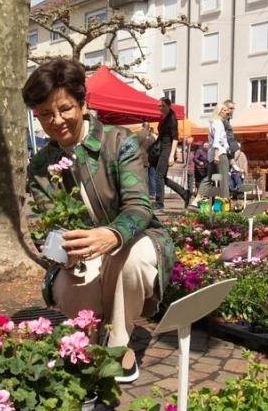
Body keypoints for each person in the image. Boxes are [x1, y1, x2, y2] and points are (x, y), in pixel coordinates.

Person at [23, 58, 171, 385]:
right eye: (45, 114)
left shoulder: (119, 142)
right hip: (82, 254)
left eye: (64, 109)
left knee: (131, 259)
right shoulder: (41, 164)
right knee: (68, 286)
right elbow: (44, 222)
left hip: (132, 241)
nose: (56, 120)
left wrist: (111, 235)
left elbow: (139, 206)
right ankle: (91, 336)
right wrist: (56, 247)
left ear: (83, 103)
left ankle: (118, 345)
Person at [153, 97, 190, 209]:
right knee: (162, 177)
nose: (161, 108)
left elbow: (175, 138)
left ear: (169, 106)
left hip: (167, 149)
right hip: (161, 149)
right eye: (159, 106)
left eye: (163, 106)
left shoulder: (172, 119)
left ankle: (159, 203)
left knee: (158, 176)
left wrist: (171, 156)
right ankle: (184, 193)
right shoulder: (163, 118)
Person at [207, 101, 235, 198]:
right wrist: (216, 155)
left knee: (209, 180)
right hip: (220, 154)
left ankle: (202, 200)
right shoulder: (219, 123)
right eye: (225, 110)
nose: (227, 112)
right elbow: (217, 140)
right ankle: (224, 203)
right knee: (223, 180)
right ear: (219, 111)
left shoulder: (213, 123)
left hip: (213, 155)